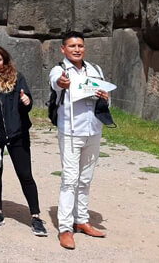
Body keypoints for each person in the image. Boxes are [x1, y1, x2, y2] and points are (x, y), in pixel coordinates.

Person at [0, 45, 47, 237]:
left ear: (4, 60)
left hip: (17, 134)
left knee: (25, 175)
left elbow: (27, 104)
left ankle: (36, 216)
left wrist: (27, 101)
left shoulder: (16, 78)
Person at [50, 31, 110, 250]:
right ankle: (65, 227)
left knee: (85, 178)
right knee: (70, 180)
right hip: (70, 131)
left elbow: (104, 96)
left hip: (93, 129)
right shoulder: (60, 70)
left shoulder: (95, 70)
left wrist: (105, 97)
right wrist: (62, 83)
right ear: (63, 49)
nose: (77, 49)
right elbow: (56, 83)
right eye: (72, 46)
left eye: (80, 46)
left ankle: (82, 219)